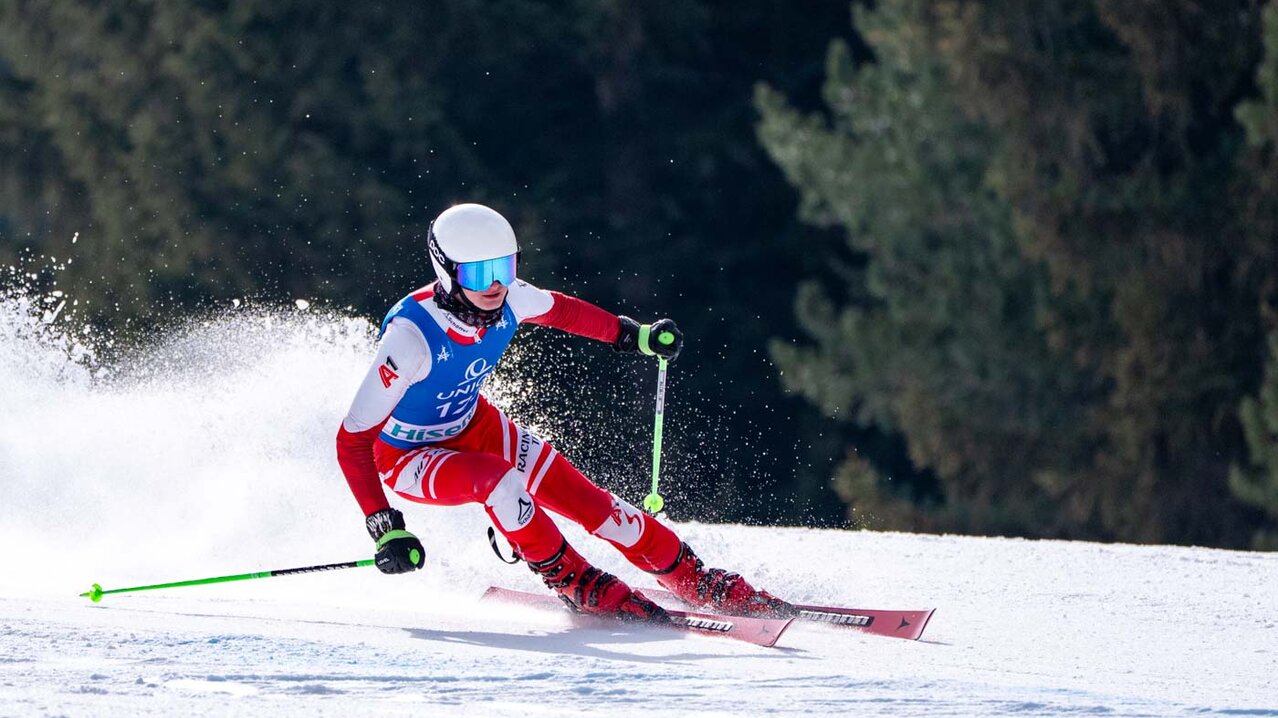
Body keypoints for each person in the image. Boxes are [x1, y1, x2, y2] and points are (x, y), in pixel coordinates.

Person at [336, 203, 793, 621]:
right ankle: (574, 580)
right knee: (498, 480)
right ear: (449, 273)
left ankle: (690, 576)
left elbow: (565, 313)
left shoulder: (511, 297)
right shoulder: (410, 339)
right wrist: (385, 527)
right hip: (408, 457)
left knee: (594, 504)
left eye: (504, 267)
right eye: (479, 275)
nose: (496, 285)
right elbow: (352, 441)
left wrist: (635, 336)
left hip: (476, 427)